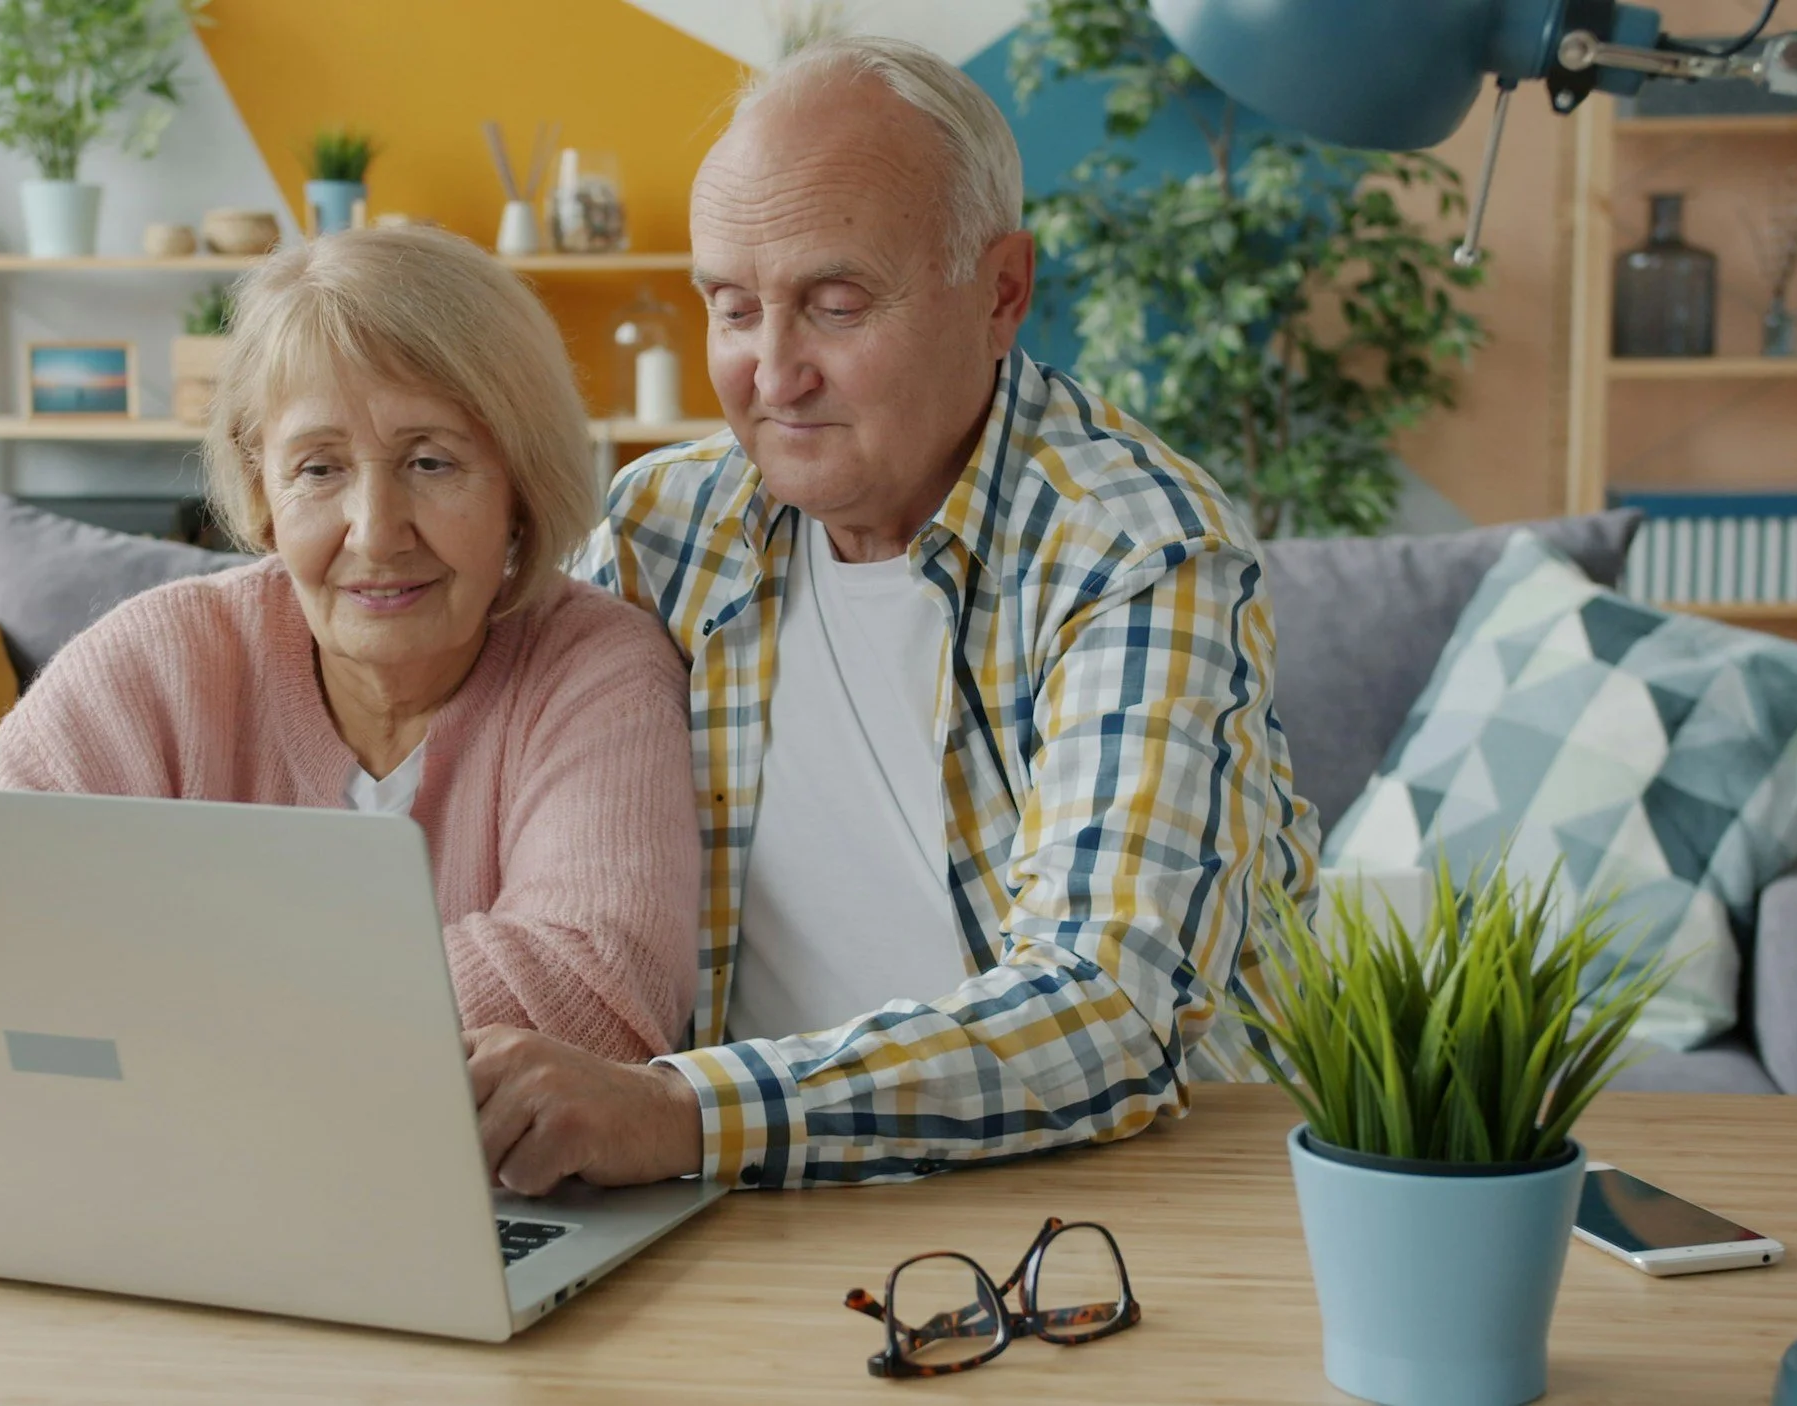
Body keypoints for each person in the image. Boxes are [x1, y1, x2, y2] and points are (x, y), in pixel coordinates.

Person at [463, 36, 1321, 1191]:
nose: (771, 375)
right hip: (738, 1204)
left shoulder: (1135, 547)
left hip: (1123, 1201)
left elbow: (1114, 1007)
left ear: (1001, 292)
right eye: (731, 309)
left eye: (834, 304)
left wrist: (683, 1110)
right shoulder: (662, 528)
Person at [0, 227, 700, 1064]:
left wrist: (171, 998)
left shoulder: (597, 670)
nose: (377, 533)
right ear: (260, 490)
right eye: (319, 469)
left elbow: (594, 993)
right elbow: (3, 939)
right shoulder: (150, 666)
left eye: (431, 462)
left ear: (522, 486)